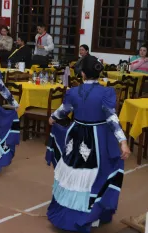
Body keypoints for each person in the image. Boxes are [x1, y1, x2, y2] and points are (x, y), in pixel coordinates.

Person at [45, 55, 131, 233]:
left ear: (82, 74)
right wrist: (122, 141)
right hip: (97, 137)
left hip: (76, 134)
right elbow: (112, 118)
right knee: (98, 173)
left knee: (74, 172)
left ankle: (69, 212)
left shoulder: (73, 92)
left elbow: (63, 111)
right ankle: (93, 213)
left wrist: (52, 118)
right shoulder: (106, 92)